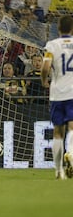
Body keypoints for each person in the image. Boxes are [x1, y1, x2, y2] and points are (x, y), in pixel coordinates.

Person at [41, 15, 73, 180]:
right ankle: (72, 154)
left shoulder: (52, 45)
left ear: (59, 28)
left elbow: (46, 67)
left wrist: (44, 80)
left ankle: (59, 171)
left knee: (58, 132)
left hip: (57, 92)